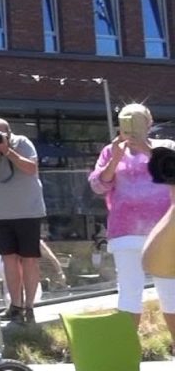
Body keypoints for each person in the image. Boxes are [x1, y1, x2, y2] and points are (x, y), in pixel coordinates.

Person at [88, 103, 175, 345]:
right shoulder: (110, 151)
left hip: (164, 232)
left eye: (136, 120)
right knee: (129, 291)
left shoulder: (166, 148)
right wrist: (114, 160)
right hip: (125, 231)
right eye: (126, 121)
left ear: (149, 122)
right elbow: (97, 185)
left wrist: (148, 151)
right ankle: (126, 351)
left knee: (171, 293)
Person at [0, 118, 45, 323]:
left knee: (29, 260)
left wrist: (7, 150)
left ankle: (29, 307)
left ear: (9, 133)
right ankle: (15, 305)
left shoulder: (22, 143)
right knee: (9, 261)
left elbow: (31, 168)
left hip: (28, 212)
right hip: (3, 215)